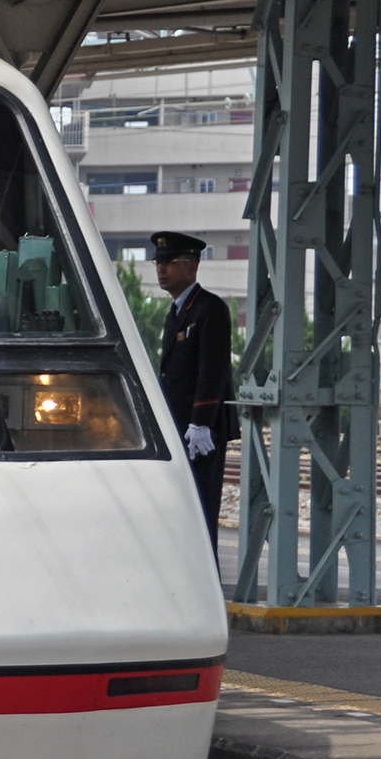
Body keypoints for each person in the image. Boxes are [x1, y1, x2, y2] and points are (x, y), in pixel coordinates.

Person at [151, 232, 234, 564]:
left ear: (192, 266)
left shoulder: (209, 309)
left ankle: (205, 575)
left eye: (169, 262)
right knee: (181, 511)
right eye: (158, 262)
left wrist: (200, 423)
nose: (161, 269)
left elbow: (212, 370)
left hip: (202, 433)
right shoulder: (176, 312)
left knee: (201, 510)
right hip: (180, 428)